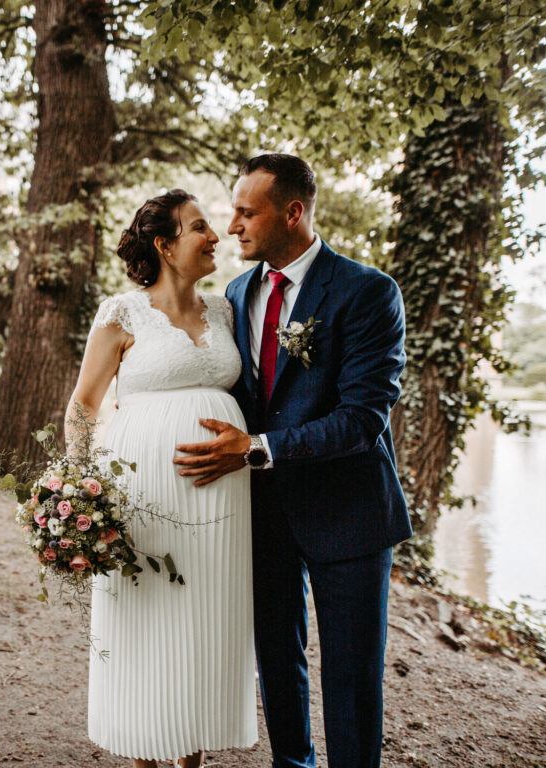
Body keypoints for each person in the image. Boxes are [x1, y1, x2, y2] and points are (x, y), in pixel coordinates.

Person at [173, 154, 412, 768]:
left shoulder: (368, 291)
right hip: (263, 514)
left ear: (293, 212)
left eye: (246, 212)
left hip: (349, 511)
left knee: (352, 676)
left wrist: (254, 450)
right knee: (277, 660)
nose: (232, 227)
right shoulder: (236, 292)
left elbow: (362, 419)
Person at [65, 189, 258, 768]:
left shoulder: (225, 310)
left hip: (221, 499)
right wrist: (78, 492)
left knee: (205, 621)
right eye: (200, 227)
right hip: (141, 495)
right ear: (165, 244)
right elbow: (84, 405)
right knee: (145, 617)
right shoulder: (122, 313)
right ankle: (144, 754)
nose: (216, 235)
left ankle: (191, 754)